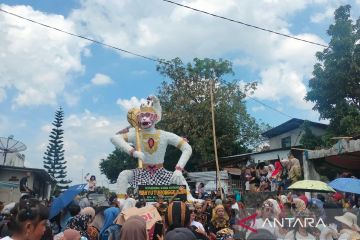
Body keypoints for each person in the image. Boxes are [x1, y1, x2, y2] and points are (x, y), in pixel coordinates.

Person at [111, 96, 194, 201]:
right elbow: (114, 138)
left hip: (161, 172)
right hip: (142, 172)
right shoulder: (135, 134)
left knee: (178, 177)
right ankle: (121, 201)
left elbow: (187, 148)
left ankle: (190, 198)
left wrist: (178, 169)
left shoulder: (165, 135)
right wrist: (133, 152)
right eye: (142, 116)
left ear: (155, 118)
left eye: (148, 115)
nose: (145, 118)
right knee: (124, 175)